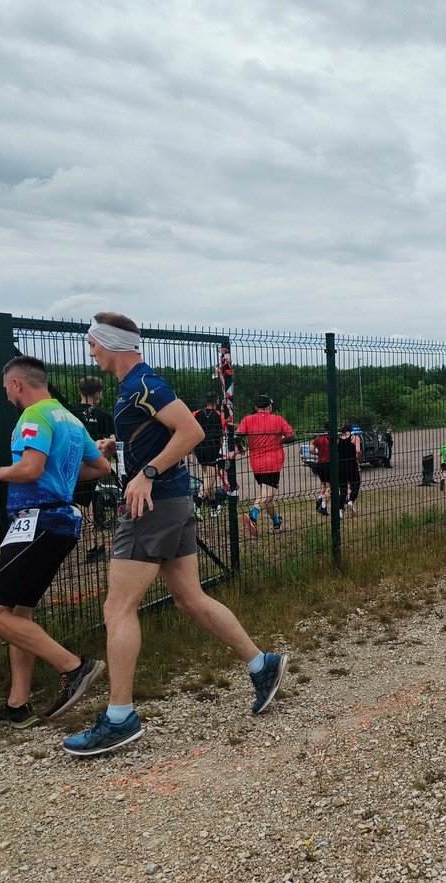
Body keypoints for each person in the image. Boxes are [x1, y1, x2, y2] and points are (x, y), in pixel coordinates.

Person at [64, 313, 287, 756]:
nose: (90, 351)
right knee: (189, 598)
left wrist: (146, 472)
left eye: (93, 343)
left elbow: (192, 431)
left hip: (151, 507)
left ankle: (119, 717)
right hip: (169, 504)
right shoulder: (133, 390)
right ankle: (263, 664)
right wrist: (120, 447)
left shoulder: (147, 384)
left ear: (112, 343)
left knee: (118, 607)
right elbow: (161, 434)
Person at [0, 356, 111, 729]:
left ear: (18, 384)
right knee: (18, 613)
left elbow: (30, 470)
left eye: (6, 390)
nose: (7, 398)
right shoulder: (70, 418)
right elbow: (102, 468)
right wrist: (62, 472)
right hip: (60, 523)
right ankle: (17, 705)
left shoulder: (34, 416)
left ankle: (74, 667)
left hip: (38, 520)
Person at [236, 395, 295, 537]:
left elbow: (237, 436)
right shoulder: (278, 419)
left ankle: (276, 522)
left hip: (256, 463)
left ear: (256, 407)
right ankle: (252, 515)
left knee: (266, 495)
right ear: (270, 406)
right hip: (273, 462)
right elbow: (292, 436)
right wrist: (280, 440)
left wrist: (241, 448)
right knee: (268, 494)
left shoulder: (247, 420)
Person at [72, 376, 117, 560]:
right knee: (86, 506)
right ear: (98, 393)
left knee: (80, 503)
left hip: (70, 464)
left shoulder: (69, 413)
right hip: (93, 466)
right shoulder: (105, 417)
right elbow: (115, 441)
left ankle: (89, 545)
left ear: (80, 391)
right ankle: (91, 548)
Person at [192, 392, 226, 516]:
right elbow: (223, 430)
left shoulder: (196, 413)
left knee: (210, 478)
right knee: (210, 477)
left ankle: (214, 506)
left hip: (199, 448)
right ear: (216, 401)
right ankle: (197, 504)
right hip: (213, 448)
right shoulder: (219, 414)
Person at [337, 423, 361, 516]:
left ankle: (340, 511)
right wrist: (358, 458)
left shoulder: (338, 439)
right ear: (350, 430)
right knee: (355, 484)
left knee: (343, 489)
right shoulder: (354, 438)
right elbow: (358, 450)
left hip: (341, 466)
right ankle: (351, 501)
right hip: (352, 465)